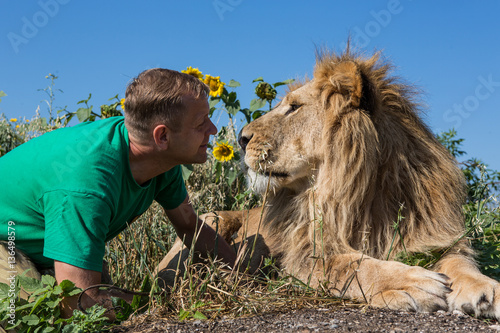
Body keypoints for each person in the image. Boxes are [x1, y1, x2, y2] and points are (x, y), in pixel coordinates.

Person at [0, 68, 237, 319]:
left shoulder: (160, 162)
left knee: (108, 305)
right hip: (8, 243)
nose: (213, 129)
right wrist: (161, 305)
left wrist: (243, 276)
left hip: (43, 250)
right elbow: (80, 303)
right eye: (201, 123)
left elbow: (190, 227)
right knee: (25, 315)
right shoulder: (87, 184)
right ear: (163, 136)